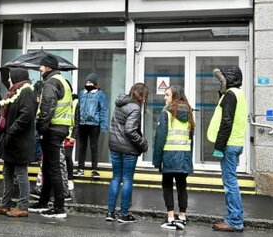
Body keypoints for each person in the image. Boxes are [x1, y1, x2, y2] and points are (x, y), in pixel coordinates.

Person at [28, 54, 72, 219]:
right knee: (48, 166)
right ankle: (43, 202)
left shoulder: (52, 83)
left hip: (52, 129)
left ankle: (59, 207)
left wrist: (41, 128)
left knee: (53, 168)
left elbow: (47, 108)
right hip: (59, 128)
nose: (40, 69)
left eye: (41, 66)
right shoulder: (62, 81)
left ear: (48, 67)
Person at [208, 66, 248, 232]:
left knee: (230, 183)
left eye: (221, 78)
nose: (219, 81)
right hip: (235, 143)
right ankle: (235, 217)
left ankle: (235, 220)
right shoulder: (237, 94)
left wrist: (219, 146)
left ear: (228, 79)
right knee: (232, 182)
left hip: (229, 144)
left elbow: (226, 122)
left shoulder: (231, 95)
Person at [0, 68, 36, 217]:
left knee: (20, 173)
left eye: (11, 78)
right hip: (10, 141)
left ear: (17, 78)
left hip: (19, 140)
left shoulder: (27, 92)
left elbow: (26, 114)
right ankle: (5, 204)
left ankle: (23, 206)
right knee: (7, 171)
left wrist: (12, 130)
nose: (9, 80)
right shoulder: (14, 92)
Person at [153, 85, 194, 230]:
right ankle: (182, 217)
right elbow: (190, 138)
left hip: (169, 155)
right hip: (183, 156)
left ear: (175, 96)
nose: (164, 97)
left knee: (167, 185)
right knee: (182, 186)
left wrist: (157, 160)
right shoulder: (189, 112)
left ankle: (170, 217)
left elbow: (160, 138)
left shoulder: (166, 113)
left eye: (167, 95)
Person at [106, 83, 148, 223]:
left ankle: (110, 213)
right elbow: (130, 130)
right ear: (141, 95)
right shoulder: (135, 108)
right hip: (129, 148)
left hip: (115, 145)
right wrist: (142, 143)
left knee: (116, 178)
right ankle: (124, 214)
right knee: (127, 179)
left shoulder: (120, 103)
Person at [75, 73, 109, 179]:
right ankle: (81, 169)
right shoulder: (82, 93)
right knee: (82, 147)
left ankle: (94, 169)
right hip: (82, 124)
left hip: (95, 124)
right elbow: (78, 109)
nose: (88, 84)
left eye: (90, 82)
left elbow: (104, 110)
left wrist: (104, 126)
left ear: (95, 84)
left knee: (94, 147)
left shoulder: (100, 94)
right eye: (86, 82)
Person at [64, 93, 80, 191]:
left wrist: (74, 136)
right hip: (59, 134)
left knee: (67, 156)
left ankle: (70, 179)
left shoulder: (75, 103)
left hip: (69, 135)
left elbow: (77, 121)